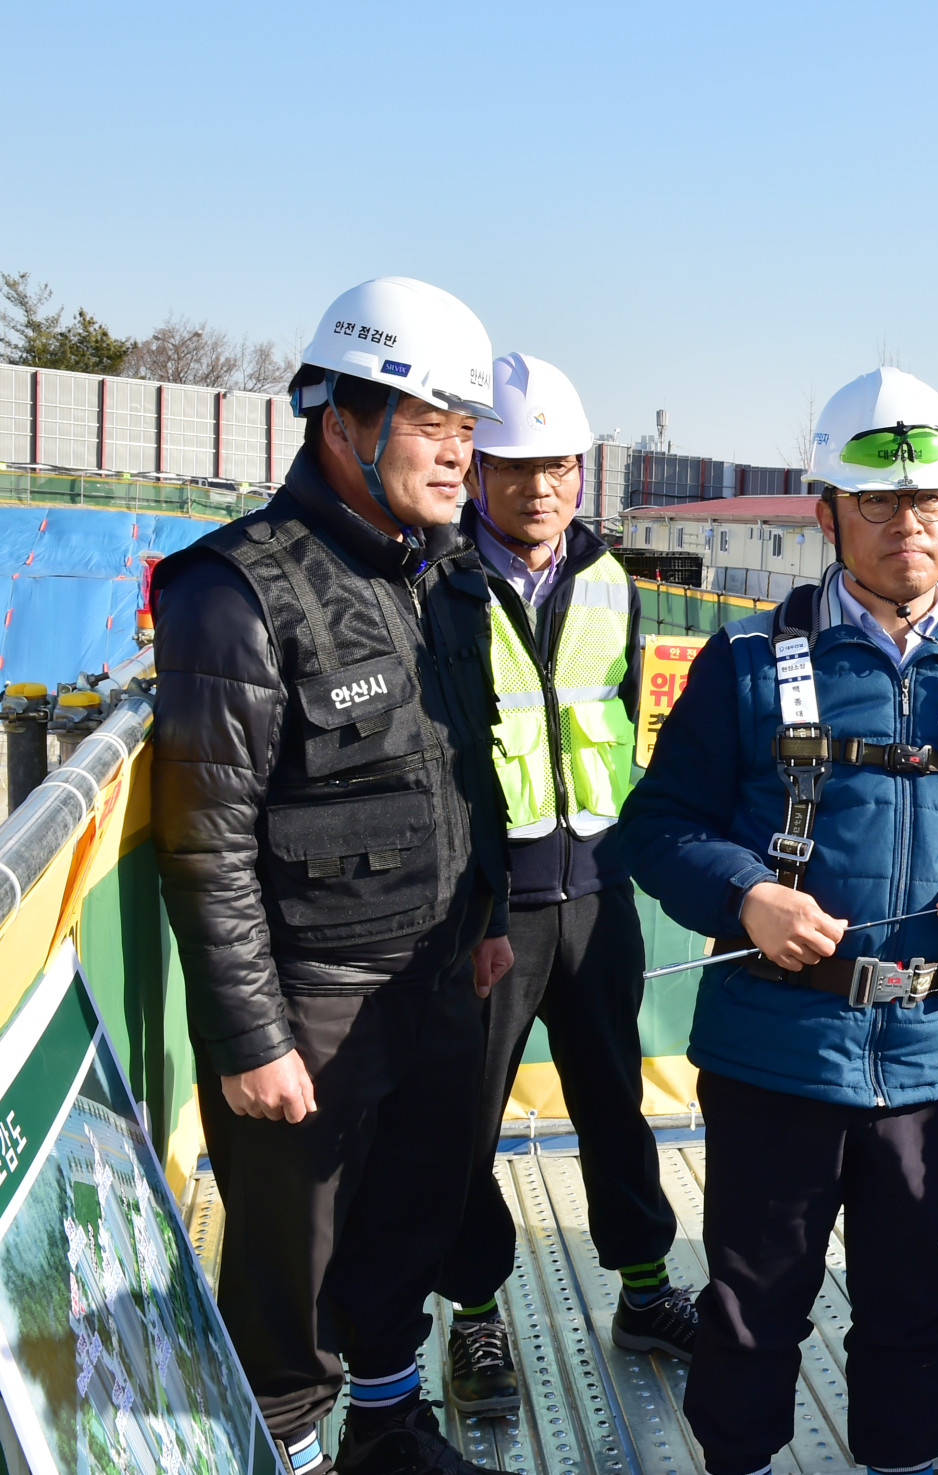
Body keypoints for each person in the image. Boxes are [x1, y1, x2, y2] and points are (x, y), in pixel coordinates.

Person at [617, 368, 938, 1475]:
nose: (906, 525)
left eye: (928, 502)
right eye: (877, 502)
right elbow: (658, 826)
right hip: (774, 1054)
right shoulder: (745, 666)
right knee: (751, 1306)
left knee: (912, 1304)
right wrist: (747, 893)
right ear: (828, 513)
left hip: (930, 1060)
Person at [152, 278, 518, 1475]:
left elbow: (467, 766)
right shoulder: (236, 589)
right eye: (431, 424)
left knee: (408, 1233)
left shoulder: (441, 572)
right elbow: (205, 840)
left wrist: (487, 920)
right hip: (308, 1003)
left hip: (433, 986)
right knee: (288, 1285)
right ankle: (288, 1451)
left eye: (468, 427)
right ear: (340, 420)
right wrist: (253, 1036)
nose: (460, 454)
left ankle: (390, 1429)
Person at [435, 353, 691, 1417]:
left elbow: (624, 715)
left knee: (613, 1099)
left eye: (555, 466)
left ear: (580, 474)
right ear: (479, 470)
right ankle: (478, 1313)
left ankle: (643, 1288)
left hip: (598, 894)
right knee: (465, 1116)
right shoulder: (437, 584)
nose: (536, 487)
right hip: (489, 904)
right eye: (512, 466)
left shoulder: (612, 582)